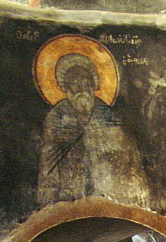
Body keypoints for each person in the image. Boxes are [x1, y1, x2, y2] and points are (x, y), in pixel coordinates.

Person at [37, 51, 151, 208]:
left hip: (108, 194)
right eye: (75, 83)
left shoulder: (109, 115)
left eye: (85, 81)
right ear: (66, 87)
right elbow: (49, 162)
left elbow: (129, 158)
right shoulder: (57, 117)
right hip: (69, 196)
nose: (81, 88)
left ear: (93, 84)